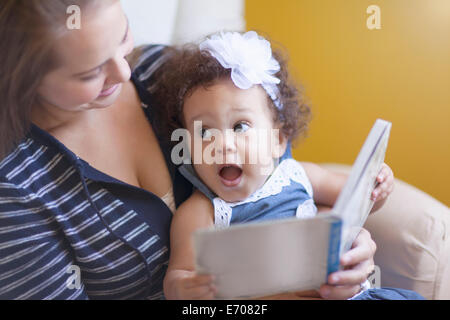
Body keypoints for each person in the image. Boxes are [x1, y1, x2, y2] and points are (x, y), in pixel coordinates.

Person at [0, 0, 379, 300]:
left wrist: (347, 247)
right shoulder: (16, 192)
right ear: (23, 75)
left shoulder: (162, 71)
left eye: (123, 38)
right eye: (90, 73)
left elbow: (278, 175)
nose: (123, 73)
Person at [150, 31, 395, 300]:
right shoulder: (202, 212)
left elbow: (359, 200)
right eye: (204, 132)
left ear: (278, 140)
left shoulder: (300, 175)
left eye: (239, 126)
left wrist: (378, 184)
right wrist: (185, 287)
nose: (222, 144)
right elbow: (178, 277)